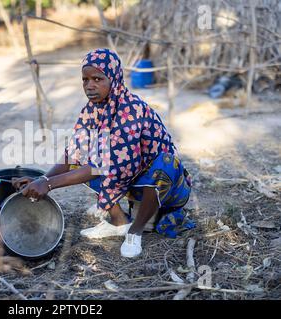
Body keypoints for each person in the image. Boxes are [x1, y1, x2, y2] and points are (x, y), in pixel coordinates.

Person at [12, 48, 194, 258]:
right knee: (81, 162)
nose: (89, 86)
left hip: (162, 187)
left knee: (166, 163)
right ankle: (120, 223)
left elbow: (103, 166)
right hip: (131, 181)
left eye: (97, 79)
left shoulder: (130, 110)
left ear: (114, 79)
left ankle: (135, 232)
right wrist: (41, 179)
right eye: (85, 80)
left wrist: (49, 184)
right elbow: (73, 155)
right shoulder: (91, 111)